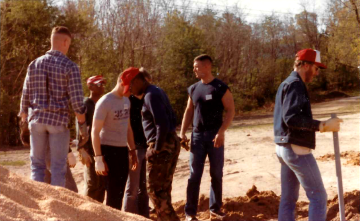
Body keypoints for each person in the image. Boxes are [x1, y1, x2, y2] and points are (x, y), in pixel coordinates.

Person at [274, 49, 343, 221]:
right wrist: (322, 125)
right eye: (316, 68)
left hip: (283, 148)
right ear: (305, 65)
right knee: (318, 197)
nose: (317, 73)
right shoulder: (296, 84)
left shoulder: (286, 83)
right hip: (296, 148)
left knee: (288, 199)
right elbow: (291, 117)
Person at [19, 26, 87, 187]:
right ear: (65, 41)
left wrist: (23, 123)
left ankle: (38, 204)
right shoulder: (70, 66)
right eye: (68, 44)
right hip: (58, 121)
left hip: (36, 120)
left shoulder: (34, 64)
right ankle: (57, 206)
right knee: (58, 168)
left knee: (37, 165)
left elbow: (25, 96)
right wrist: (83, 127)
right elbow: (77, 102)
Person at [180, 54, 235, 221]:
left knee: (216, 173)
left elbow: (231, 110)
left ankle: (215, 209)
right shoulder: (193, 88)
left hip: (214, 136)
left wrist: (221, 132)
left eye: (197, 67)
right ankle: (190, 213)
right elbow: (189, 111)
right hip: (197, 136)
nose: (194, 70)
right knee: (194, 174)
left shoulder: (220, 87)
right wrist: (183, 132)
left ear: (207, 67)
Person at [128, 67, 180, 221]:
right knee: (163, 190)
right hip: (170, 141)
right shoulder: (157, 91)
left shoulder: (150, 95)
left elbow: (161, 123)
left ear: (138, 80)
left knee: (154, 191)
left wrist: (156, 149)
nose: (130, 91)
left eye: (130, 86)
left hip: (161, 145)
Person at [91, 68, 138, 210]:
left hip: (122, 150)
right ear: (122, 82)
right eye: (130, 88)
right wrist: (98, 158)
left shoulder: (126, 100)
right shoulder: (105, 102)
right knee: (111, 193)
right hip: (107, 151)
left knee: (119, 192)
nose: (131, 92)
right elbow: (95, 131)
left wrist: (133, 150)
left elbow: (128, 127)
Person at [123, 73, 152, 218]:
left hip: (146, 146)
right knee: (132, 188)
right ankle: (128, 216)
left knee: (143, 187)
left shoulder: (149, 99)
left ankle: (144, 216)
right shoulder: (128, 100)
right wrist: (130, 148)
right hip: (133, 147)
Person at [78, 75, 106, 202]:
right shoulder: (85, 104)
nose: (102, 88)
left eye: (103, 85)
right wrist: (81, 148)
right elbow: (80, 126)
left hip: (102, 147)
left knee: (101, 184)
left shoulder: (102, 103)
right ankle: (88, 211)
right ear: (90, 87)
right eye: (99, 85)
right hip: (89, 149)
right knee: (92, 183)